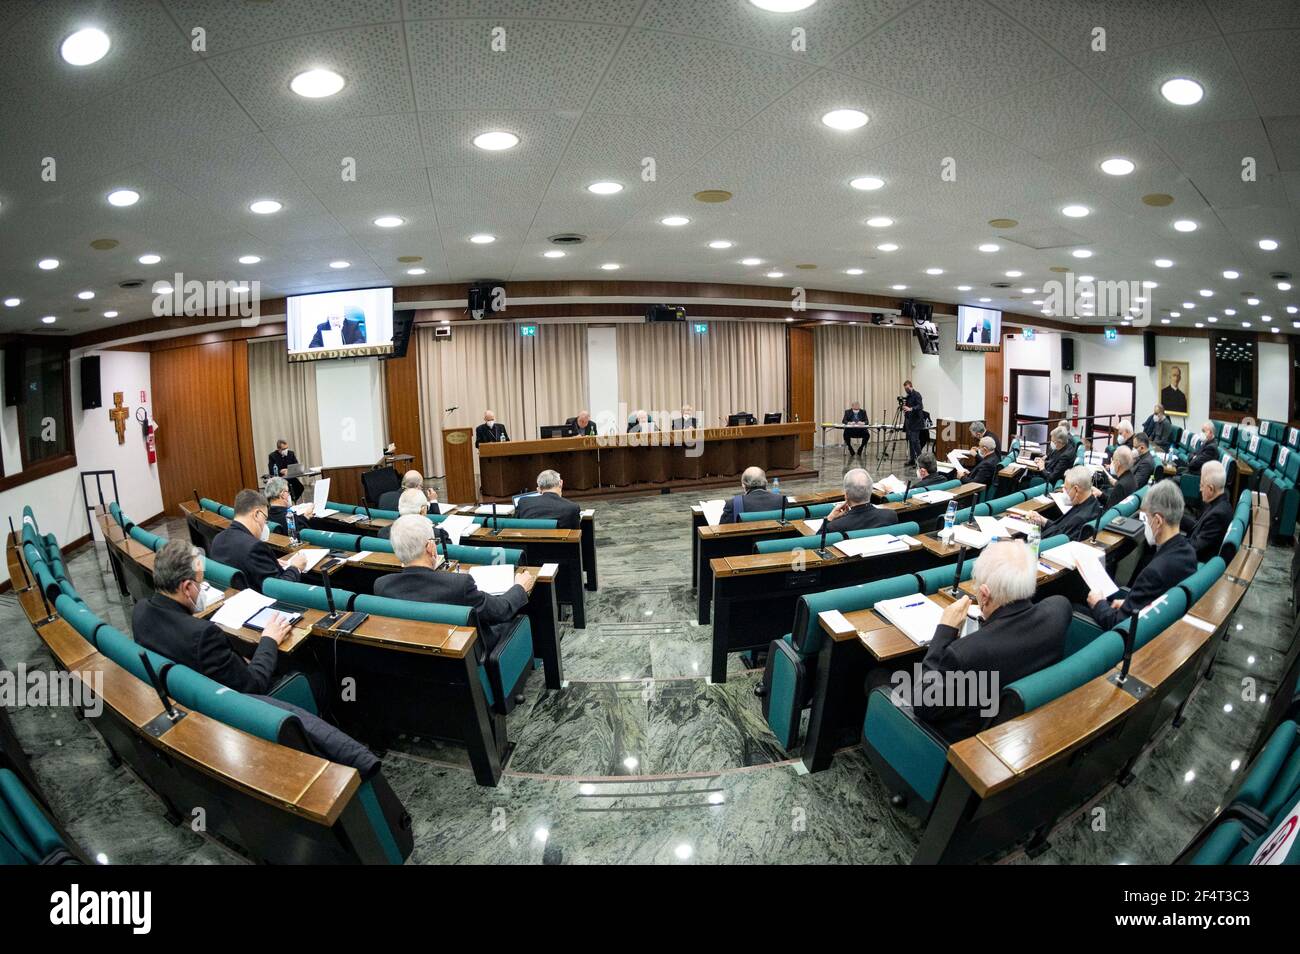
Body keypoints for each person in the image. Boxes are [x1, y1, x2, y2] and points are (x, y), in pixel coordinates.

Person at [908, 541, 1070, 742]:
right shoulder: (1060, 610)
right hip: (1024, 728)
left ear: (984, 595)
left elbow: (923, 704)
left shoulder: (966, 653)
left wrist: (944, 631)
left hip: (960, 742)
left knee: (878, 678)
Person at [132, 540, 290, 694]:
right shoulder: (203, 635)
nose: (202, 588)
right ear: (187, 587)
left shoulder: (140, 610)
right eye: (200, 582)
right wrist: (269, 640)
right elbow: (252, 685)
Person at [375, 515, 531, 651]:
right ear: (430, 547)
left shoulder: (382, 585)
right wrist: (519, 588)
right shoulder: (459, 585)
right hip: (469, 656)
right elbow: (500, 611)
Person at [1086, 480, 1197, 631]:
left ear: (1157, 521)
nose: (1146, 524)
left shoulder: (1154, 572)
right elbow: (1155, 600)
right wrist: (1128, 603)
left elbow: (1117, 624)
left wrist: (1098, 603)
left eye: (1147, 519)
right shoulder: (1188, 552)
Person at [210, 489, 307, 592]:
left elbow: (243, 563)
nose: (265, 524)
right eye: (265, 519)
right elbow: (278, 590)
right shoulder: (255, 547)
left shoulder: (218, 539)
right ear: (256, 514)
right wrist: (295, 568)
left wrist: (268, 562)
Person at [1024, 466, 1101, 541]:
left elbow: (1054, 541)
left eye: (1066, 488)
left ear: (1076, 490)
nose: (1063, 491)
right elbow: (1060, 529)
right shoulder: (1092, 503)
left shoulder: (1080, 518)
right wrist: (1042, 520)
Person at [1182, 460, 1232, 562]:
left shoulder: (1218, 515)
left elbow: (1195, 548)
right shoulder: (1218, 502)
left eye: (1201, 485)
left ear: (1210, 489)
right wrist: (1176, 517)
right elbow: (1199, 526)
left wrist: (1170, 538)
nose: (1200, 489)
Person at [823, 468, 899, 534]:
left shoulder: (835, 527)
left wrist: (829, 518)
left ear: (846, 495)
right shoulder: (890, 516)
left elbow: (819, 541)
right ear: (870, 492)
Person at [514, 469, 581, 529]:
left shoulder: (523, 503)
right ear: (561, 483)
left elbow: (514, 528)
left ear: (539, 489)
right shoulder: (572, 508)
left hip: (528, 542)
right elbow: (576, 537)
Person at [720, 467, 784, 523]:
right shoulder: (781, 500)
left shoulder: (734, 504)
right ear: (766, 482)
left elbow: (722, 531)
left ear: (743, 485)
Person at [1102, 446, 1139, 510]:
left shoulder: (1120, 486)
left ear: (1118, 463)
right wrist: (1100, 495)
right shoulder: (1131, 477)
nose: (1111, 463)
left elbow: (1109, 510)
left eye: (1113, 460)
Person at [903, 380, 925, 465]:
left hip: (917, 422)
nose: (906, 390)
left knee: (915, 441)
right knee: (911, 441)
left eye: (907, 388)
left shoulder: (917, 394)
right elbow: (907, 408)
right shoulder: (908, 396)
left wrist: (911, 408)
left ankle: (920, 460)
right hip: (909, 421)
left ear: (911, 386)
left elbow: (920, 406)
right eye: (905, 388)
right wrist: (905, 409)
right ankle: (912, 459)